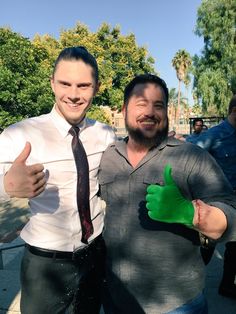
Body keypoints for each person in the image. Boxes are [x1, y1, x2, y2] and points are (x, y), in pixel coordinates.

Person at [98, 74, 236, 314]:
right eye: (141, 103)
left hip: (176, 303)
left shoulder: (190, 157)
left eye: (158, 105)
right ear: (124, 109)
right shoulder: (108, 156)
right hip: (115, 298)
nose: (150, 111)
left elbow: (233, 217)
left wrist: (190, 213)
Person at [0, 46, 116, 314]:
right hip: (44, 265)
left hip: (94, 256)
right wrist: (6, 186)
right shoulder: (20, 134)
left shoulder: (106, 134)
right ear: (52, 83)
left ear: (96, 88)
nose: (74, 95)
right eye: (65, 83)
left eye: (83, 85)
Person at [196, 95, 236, 299]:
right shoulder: (215, 135)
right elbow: (192, 153)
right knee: (207, 246)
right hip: (217, 200)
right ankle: (190, 286)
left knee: (235, 248)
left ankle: (227, 285)